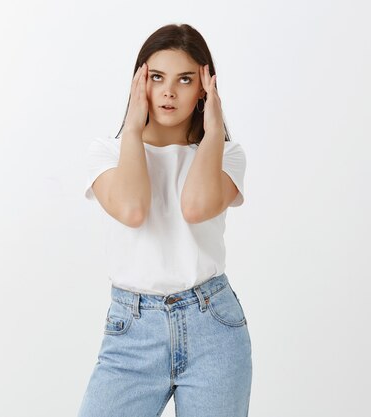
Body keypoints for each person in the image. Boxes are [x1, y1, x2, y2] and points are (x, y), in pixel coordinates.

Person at [78, 23, 251, 417]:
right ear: (140, 82)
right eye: (157, 78)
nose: (169, 92)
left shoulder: (226, 154)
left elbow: (195, 206)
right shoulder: (106, 152)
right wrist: (134, 130)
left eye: (185, 79)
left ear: (205, 88)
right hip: (131, 333)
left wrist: (210, 134)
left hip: (213, 327)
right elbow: (133, 209)